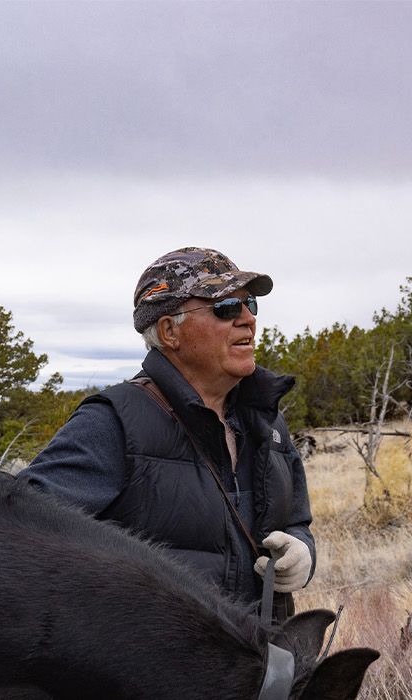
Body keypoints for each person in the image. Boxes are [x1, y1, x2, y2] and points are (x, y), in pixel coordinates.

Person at [18, 247, 315, 617]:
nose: (247, 320)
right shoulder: (114, 422)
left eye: (249, 304)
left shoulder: (266, 422)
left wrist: (303, 552)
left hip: (266, 663)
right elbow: (18, 528)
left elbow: (296, 521)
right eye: (225, 308)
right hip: (157, 670)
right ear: (169, 331)